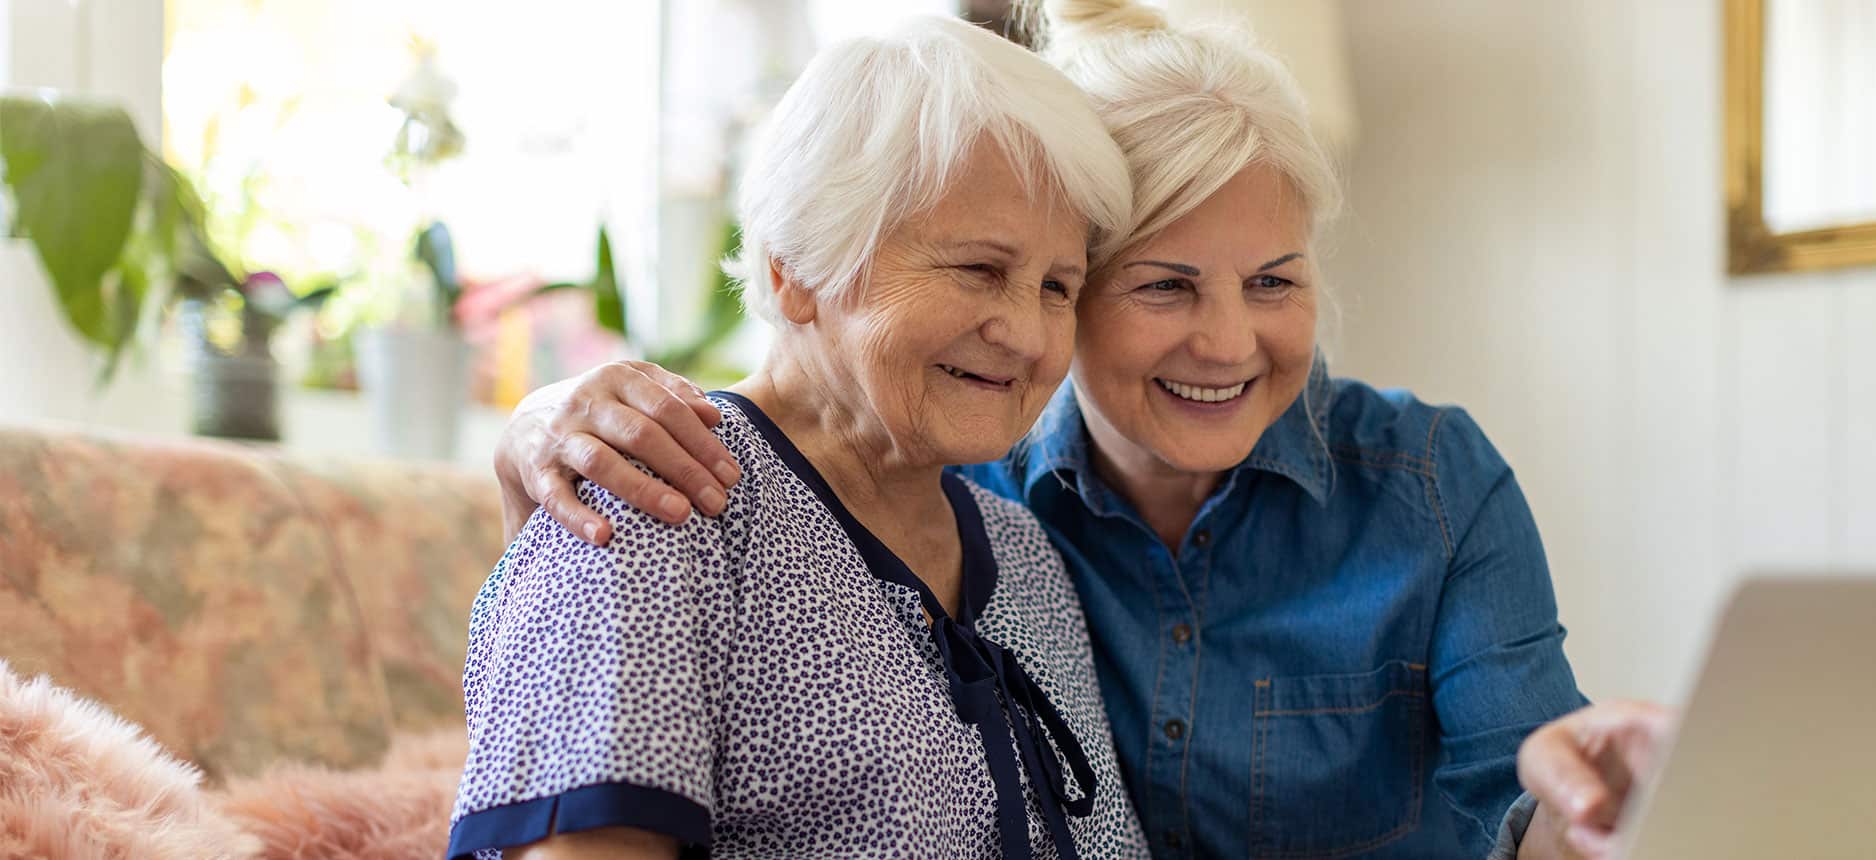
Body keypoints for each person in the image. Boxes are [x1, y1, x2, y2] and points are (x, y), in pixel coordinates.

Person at [491, 2, 1678, 858]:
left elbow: (1526, 803)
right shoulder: (771, 486)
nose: (1226, 341)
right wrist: (539, 422)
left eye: (1275, 279)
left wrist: (1592, 809)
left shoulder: (1012, 556)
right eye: (1163, 286)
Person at [449, 15, 1150, 859]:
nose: (1029, 336)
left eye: (1057, 286)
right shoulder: (658, 498)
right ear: (794, 269)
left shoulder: (1025, 553)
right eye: (978, 269)